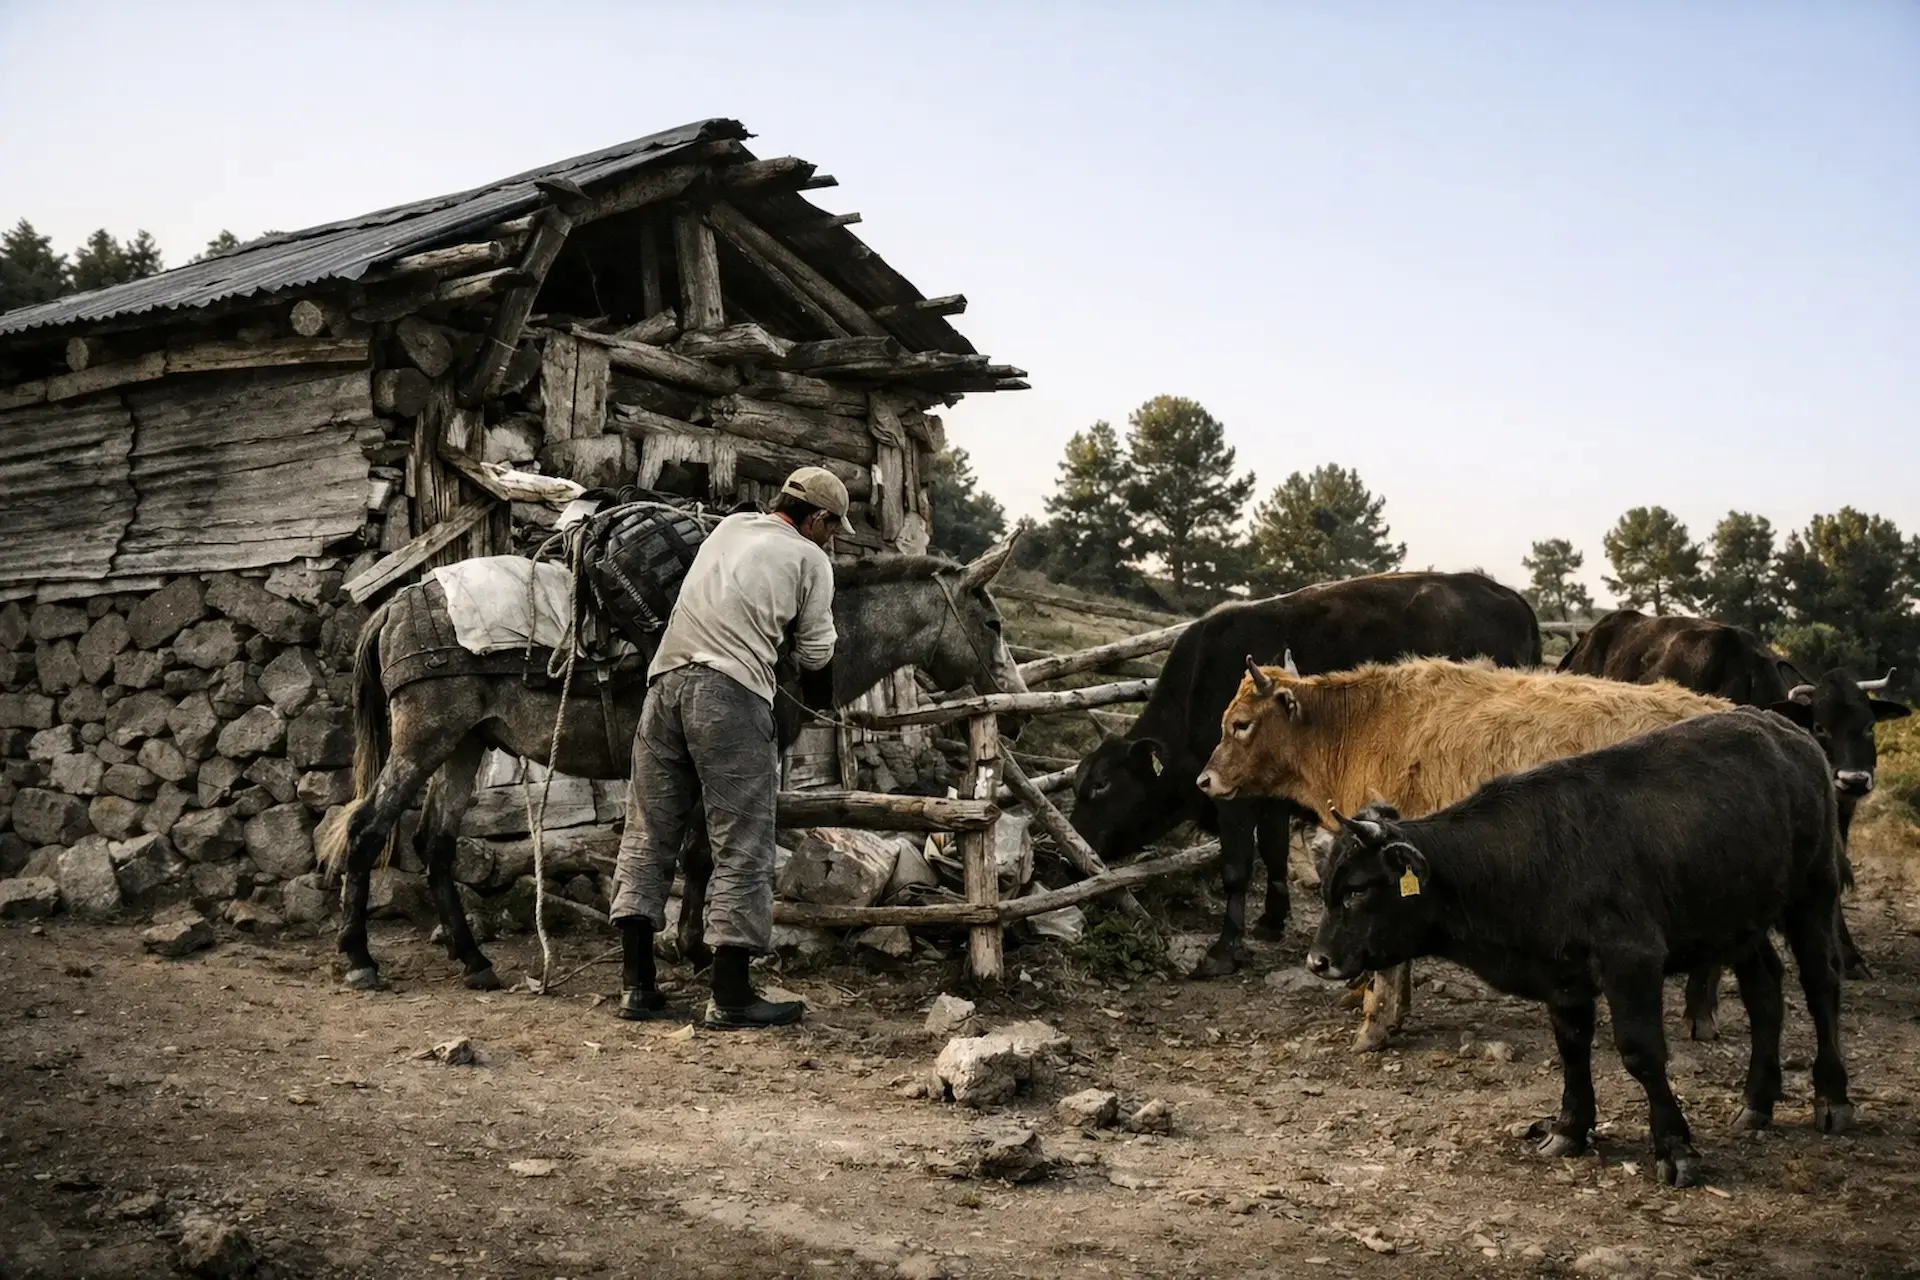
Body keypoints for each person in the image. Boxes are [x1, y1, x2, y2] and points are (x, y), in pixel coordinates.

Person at [609, 466, 847, 1029]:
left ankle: (637, 987)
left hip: (664, 686)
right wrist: (821, 703)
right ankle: (731, 994)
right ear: (816, 519)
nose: (833, 539)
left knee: (648, 830)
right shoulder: (811, 559)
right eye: (833, 528)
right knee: (742, 839)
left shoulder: (731, 528)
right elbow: (815, 653)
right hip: (729, 695)